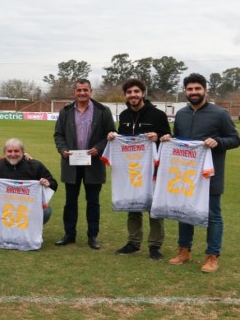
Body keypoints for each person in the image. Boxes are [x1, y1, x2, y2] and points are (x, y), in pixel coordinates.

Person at [162, 73, 239, 273]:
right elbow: (179, 139)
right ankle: (184, 251)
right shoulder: (181, 114)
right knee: (184, 212)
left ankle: (212, 256)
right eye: (190, 89)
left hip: (210, 175)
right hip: (185, 174)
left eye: (197, 88)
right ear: (185, 91)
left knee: (213, 215)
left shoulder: (220, 114)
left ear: (205, 90)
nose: (194, 92)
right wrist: (170, 139)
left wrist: (219, 141)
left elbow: (235, 138)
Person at [108, 78, 171, 260]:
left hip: (152, 168)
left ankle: (154, 246)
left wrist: (157, 136)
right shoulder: (125, 116)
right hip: (131, 168)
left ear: (143, 93)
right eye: (129, 92)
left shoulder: (157, 115)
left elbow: (168, 137)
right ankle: (133, 243)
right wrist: (114, 136)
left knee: (154, 206)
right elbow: (123, 138)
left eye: (136, 92)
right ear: (126, 95)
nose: (133, 95)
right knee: (133, 205)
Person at [53, 78, 115, 250]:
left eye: (85, 90)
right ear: (74, 92)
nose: (82, 93)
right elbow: (58, 135)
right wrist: (63, 150)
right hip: (71, 163)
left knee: (93, 202)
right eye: (79, 90)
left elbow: (111, 134)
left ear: (91, 91)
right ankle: (69, 234)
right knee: (70, 202)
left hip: (94, 163)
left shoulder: (103, 110)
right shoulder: (65, 111)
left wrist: (99, 148)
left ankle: (92, 236)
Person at [0, 138, 57, 224]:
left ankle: (34, 230)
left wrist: (47, 183)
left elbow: (53, 184)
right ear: (4, 152)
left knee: (46, 211)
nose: (13, 154)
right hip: (5, 206)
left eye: (16, 151)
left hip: (30, 206)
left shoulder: (35, 166)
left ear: (23, 152)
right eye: (9, 151)